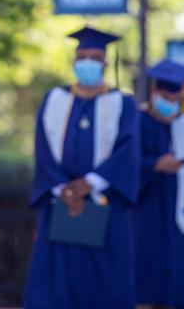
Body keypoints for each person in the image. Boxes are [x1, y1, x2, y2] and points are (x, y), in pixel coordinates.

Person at [23, 26, 140, 309]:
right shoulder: (54, 99)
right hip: (60, 204)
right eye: (82, 56)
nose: (87, 62)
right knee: (54, 284)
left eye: (94, 56)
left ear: (105, 62)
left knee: (106, 285)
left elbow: (128, 150)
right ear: (75, 61)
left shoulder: (122, 103)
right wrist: (65, 189)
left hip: (106, 205)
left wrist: (90, 184)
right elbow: (42, 148)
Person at [134, 60, 184, 309]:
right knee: (149, 283)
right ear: (153, 92)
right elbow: (126, 166)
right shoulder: (138, 122)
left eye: (175, 98)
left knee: (180, 282)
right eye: (166, 97)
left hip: (182, 218)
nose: (171, 104)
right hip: (148, 216)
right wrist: (154, 165)